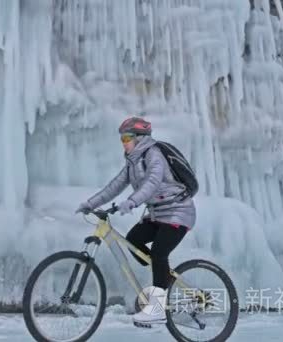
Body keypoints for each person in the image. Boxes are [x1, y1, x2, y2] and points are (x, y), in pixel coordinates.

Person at [75, 116, 196, 325]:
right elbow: (114, 186)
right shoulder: (132, 163)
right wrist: (90, 203)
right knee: (133, 240)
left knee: (159, 252)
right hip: (157, 214)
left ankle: (157, 308)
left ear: (140, 138)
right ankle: (164, 279)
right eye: (122, 139)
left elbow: (152, 182)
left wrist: (132, 201)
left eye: (127, 138)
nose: (124, 142)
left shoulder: (154, 154)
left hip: (178, 212)